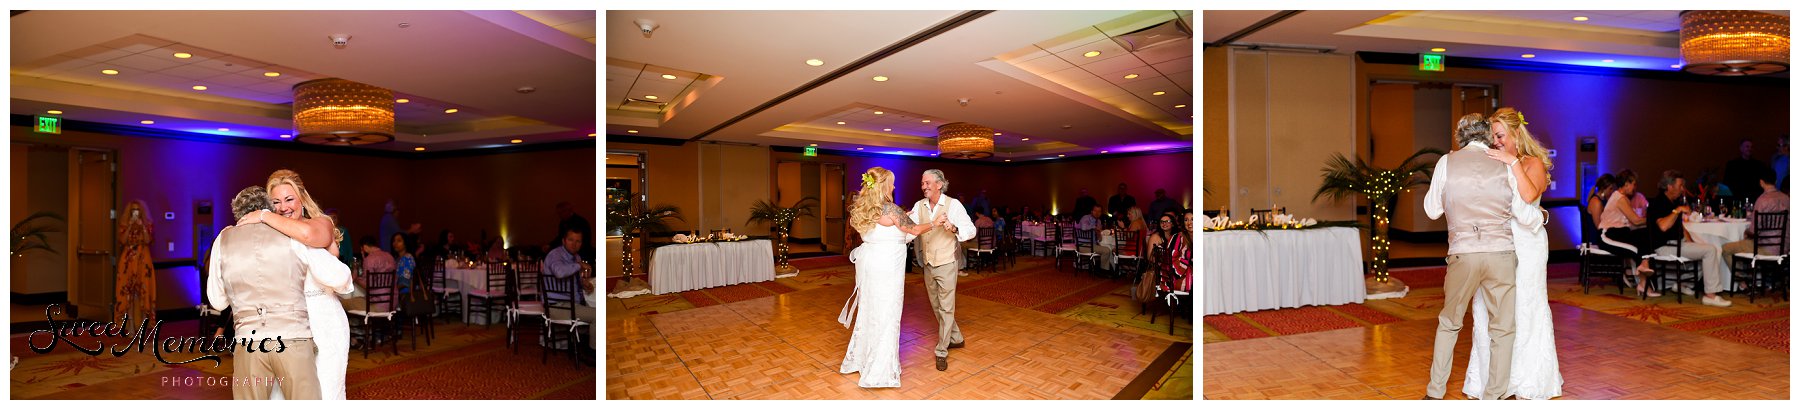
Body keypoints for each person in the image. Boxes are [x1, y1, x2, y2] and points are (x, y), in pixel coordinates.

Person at [1422, 113, 1541, 400]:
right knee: (1502, 328)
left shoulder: (1446, 162)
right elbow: (1523, 212)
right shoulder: (1504, 164)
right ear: (1487, 136)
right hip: (1500, 253)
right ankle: (1494, 396)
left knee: (1449, 323)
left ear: (1459, 137)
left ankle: (1435, 392)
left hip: (1463, 253)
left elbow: (1431, 210)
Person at [207, 185, 352, 400]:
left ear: (238, 213)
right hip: (293, 340)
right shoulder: (291, 233)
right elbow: (339, 277)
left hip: (249, 343)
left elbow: (217, 302)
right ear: (268, 209)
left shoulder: (223, 239)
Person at [1463, 107, 1563, 400]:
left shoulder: (1533, 163)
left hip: (1527, 245)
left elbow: (1530, 196)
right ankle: (1493, 380)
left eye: (1500, 135)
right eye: (1493, 136)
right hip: (1497, 242)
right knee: (1491, 308)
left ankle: (1528, 380)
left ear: (1516, 134)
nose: (1495, 141)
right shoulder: (1496, 161)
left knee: (1525, 306)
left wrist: (1511, 163)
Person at [837, 167, 935, 388]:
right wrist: (935, 223)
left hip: (871, 264)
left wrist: (904, 218)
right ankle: (879, 370)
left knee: (870, 310)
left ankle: (860, 360)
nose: (894, 186)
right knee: (887, 313)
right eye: (891, 182)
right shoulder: (891, 208)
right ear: (883, 186)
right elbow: (916, 230)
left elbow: (887, 230)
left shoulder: (862, 207)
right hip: (887, 267)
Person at [909, 169, 977, 371]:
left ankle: (942, 350)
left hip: (947, 262)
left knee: (946, 307)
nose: (924, 187)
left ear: (939, 184)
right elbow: (909, 230)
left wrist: (954, 228)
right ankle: (956, 337)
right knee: (936, 306)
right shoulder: (918, 206)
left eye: (928, 183)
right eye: (922, 183)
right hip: (928, 263)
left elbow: (970, 230)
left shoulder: (953, 204)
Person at [1645, 171, 1731, 307]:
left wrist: (1691, 242)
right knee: (1710, 250)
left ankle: (1684, 284)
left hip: (1677, 243)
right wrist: (1677, 210)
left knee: (1708, 250)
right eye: (1680, 186)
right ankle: (1710, 295)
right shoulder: (1659, 203)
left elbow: (1681, 228)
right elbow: (1663, 226)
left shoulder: (1673, 201)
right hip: (1664, 247)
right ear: (1669, 186)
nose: (1682, 189)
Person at [1597, 170, 1661, 294]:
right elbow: (1636, 221)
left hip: (1620, 233)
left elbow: (1632, 223)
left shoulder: (1623, 198)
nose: (1635, 188)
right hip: (1608, 235)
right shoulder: (1619, 198)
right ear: (1626, 184)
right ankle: (1644, 282)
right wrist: (1655, 219)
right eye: (1634, 184)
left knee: (1644, 236)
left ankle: (1644, 270)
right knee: (1637, 249)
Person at [1721, 169, 1788, 258]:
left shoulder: (1762, 200)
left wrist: (1746, 232)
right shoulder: (1786, 198)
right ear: (1776, 181)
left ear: (1761, 182)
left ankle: (1740, 272)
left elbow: (1754, 231)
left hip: (1765, 248)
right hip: (1785, 247)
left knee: (1726, 248)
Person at [114, 200, 157, 327]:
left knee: (144, 291)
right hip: (128, 260)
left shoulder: (148, 224)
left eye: (137, 210)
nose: (135, 213)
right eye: (133, 210)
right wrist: (129, 226)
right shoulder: (124, 224)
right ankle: (130, 325)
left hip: (143, 259)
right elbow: (122, 240)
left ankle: (143, 324)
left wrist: (142, 226)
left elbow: (148, 240)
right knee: (127, 292)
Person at [544, 227, 596, 328]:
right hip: (557, 306)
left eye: (578, 241)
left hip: (572, 304)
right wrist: (579, 265)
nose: (574, 244)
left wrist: (584, 285)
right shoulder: (555, 255)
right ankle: (592, 344)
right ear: (563, 241)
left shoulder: (576, 257)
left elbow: (573, 282)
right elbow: (559, 272)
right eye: (570, 240)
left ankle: (582, 342)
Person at [1725, 138, 1769, 203]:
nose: (1750, 149)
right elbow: (1727, 183)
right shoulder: (1732, 165)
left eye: (1751, 147)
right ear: (1741, 148)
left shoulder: (1758, 165)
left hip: (1754, 198)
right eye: (1747, 147)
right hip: (1737, 198)